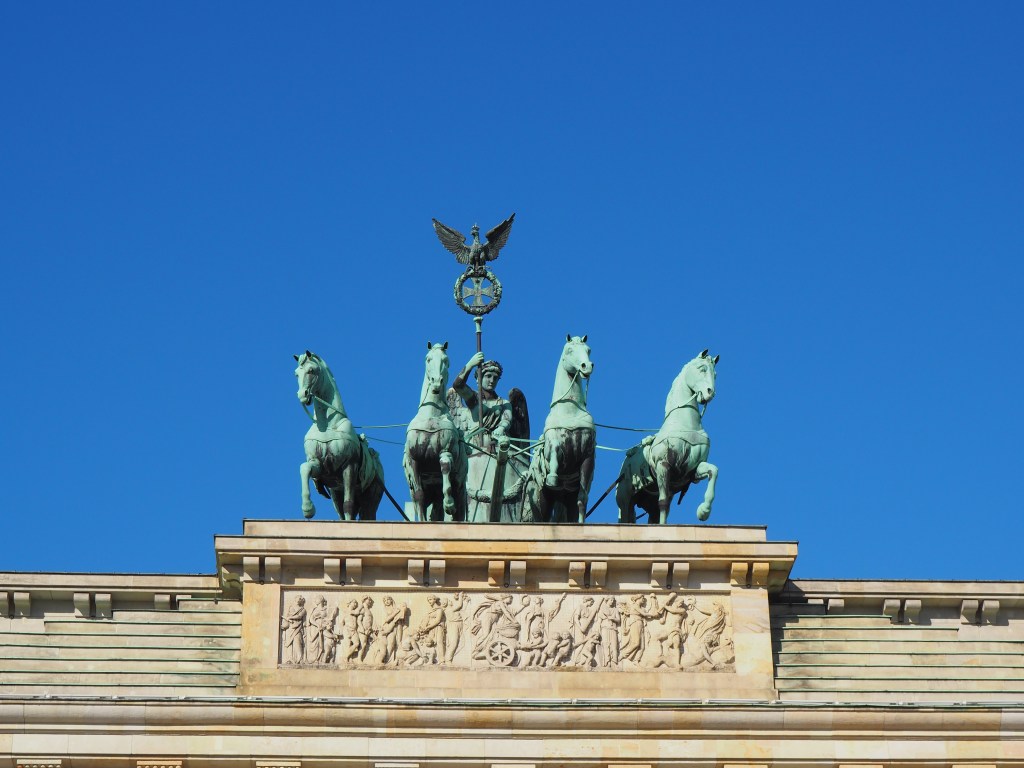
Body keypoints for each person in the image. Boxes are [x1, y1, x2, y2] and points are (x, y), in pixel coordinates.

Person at [452, 351, 528, 522]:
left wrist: (501, 428)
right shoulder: (474, 400)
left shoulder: (504, 403)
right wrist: (471, 364)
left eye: (495, 377)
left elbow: (507, 419)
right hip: (475, 448)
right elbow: (457, 385)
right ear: (478, 378)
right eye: (487, 376)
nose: (492, 380)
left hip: (499, 447)